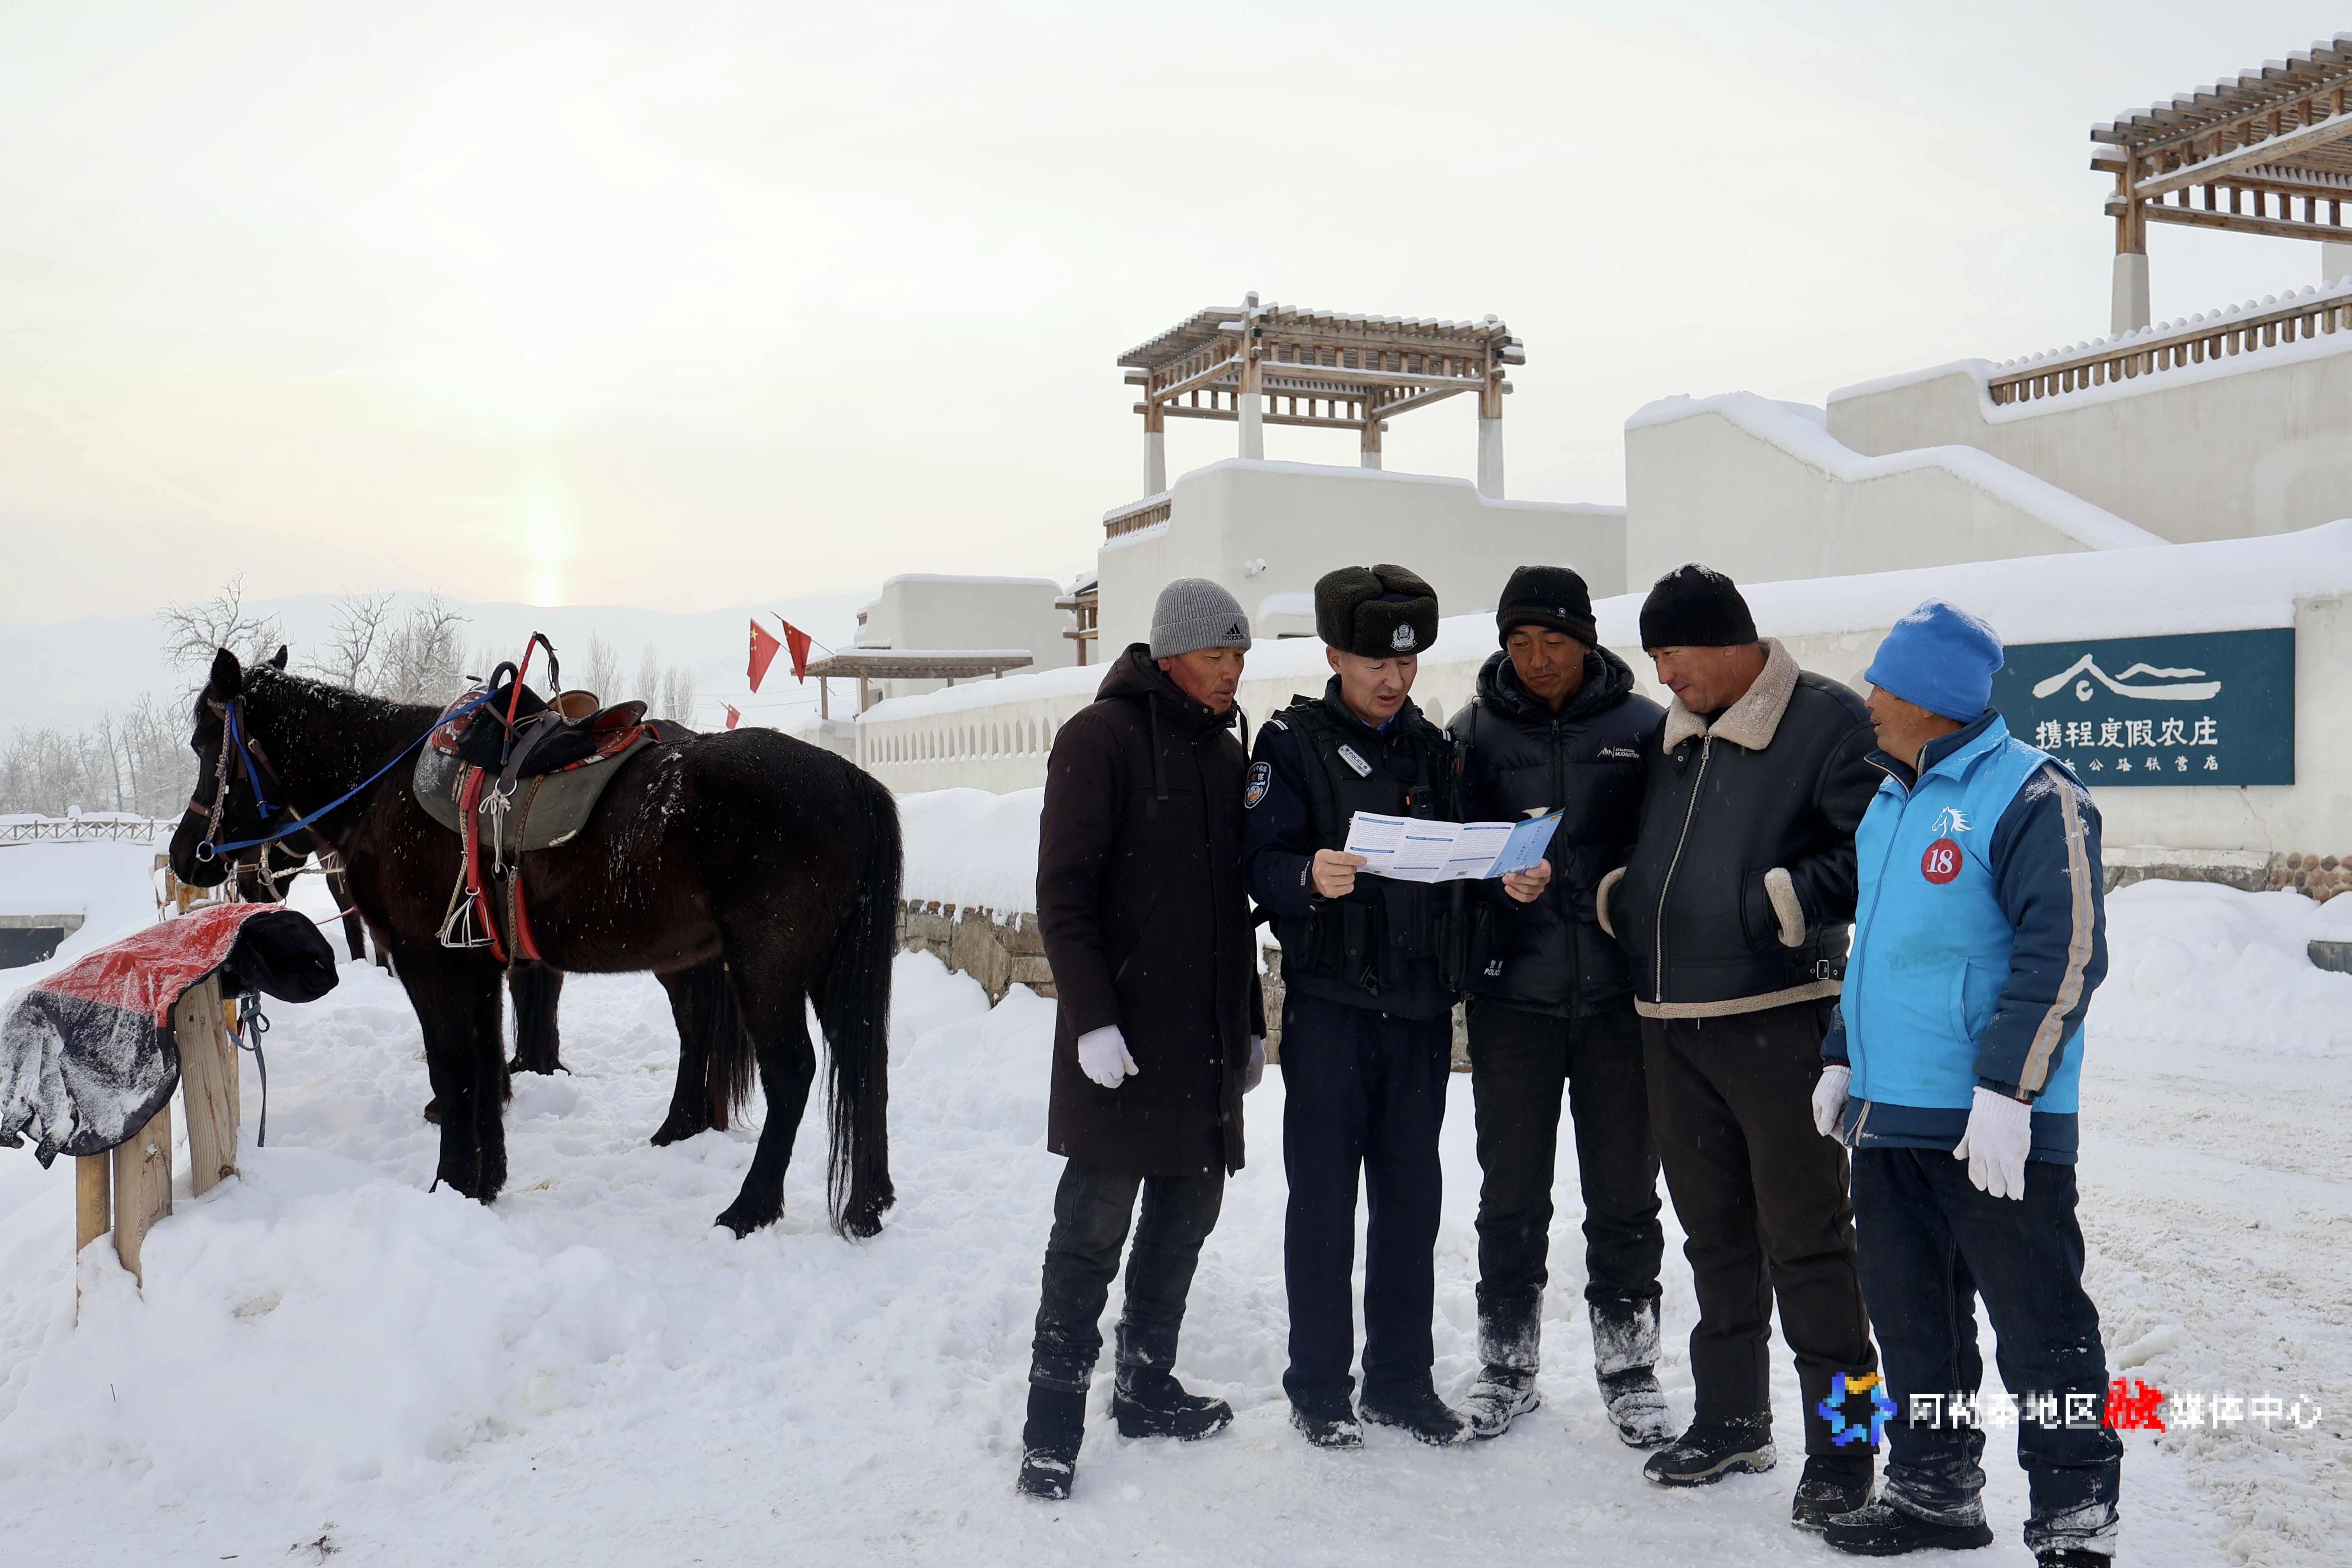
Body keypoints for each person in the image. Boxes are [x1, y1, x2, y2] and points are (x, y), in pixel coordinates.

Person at [1812, 600, 2120, 1565]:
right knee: (1917, 1327)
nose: (1868, 697)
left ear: (1931, 697)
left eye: (1884, 682)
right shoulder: (1888, 799)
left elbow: (2065, 949)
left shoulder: (2033, 792)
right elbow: (1876, 950)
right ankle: (1933, 1490)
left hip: (1994, 1124)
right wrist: (1842, 1050)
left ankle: (2074, 1518)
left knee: (2042, 1330)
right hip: (1892, 1118)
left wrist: (2007, 1089)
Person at [1598, 562, 1883, 1528]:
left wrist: (1781, 901)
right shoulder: (1675, 734)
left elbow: (1871, 854)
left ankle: (1847, 1449)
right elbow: (1660, 849)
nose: (1662, 676)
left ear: (1727, 642)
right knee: (1715, 1238)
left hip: (1778, 1018)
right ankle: (1732, 1418)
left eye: (1672, 654)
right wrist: (1628, 897)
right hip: (1670, 1025)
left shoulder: (1829, 722)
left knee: (1812, 1244)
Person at [1242, 564, 1550, 1450]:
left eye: (1407, 663)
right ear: (1334, 655)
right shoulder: (1289, 745)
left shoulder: (1436, 748)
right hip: (1331, 1010)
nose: (1393, 679)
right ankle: (1318, 1388)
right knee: (1323, 1203)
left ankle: (1401, 1382)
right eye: (1376, 662)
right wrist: (1306, 875)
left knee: (1412, 1204)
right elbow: (1256, 862)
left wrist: (1512, 879)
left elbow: (1467, 860)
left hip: (1419, 1010)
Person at [1017, 578, 1266, 1502]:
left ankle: (1146, 1385)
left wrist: (1247, 1024)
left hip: (1203, 1038)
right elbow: (1063, 892)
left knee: (1184, 1219)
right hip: (1121, 1039)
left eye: (1239, 655)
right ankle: (1051, 1427)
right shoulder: (1100, 738)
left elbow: (1231, 907)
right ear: (1169, 656)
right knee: (1090, 1231)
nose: (1231, 670)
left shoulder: (1225, 749)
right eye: (1216, 654)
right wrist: (1091, 1018)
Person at [1446, 564, 1673, 1446]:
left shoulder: (1645, 728)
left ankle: (1630, 1368)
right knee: (1510, 1196)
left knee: (1625, 1194)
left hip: (1621, 1000)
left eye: (1554, 639)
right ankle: (1506, 1365)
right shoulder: (1469, 735)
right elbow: (1449, 863)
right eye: (1519, 641)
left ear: (1586, 640)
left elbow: (1675, 850)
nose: (1536, 658)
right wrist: (1496, 885)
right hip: (1515, 999)